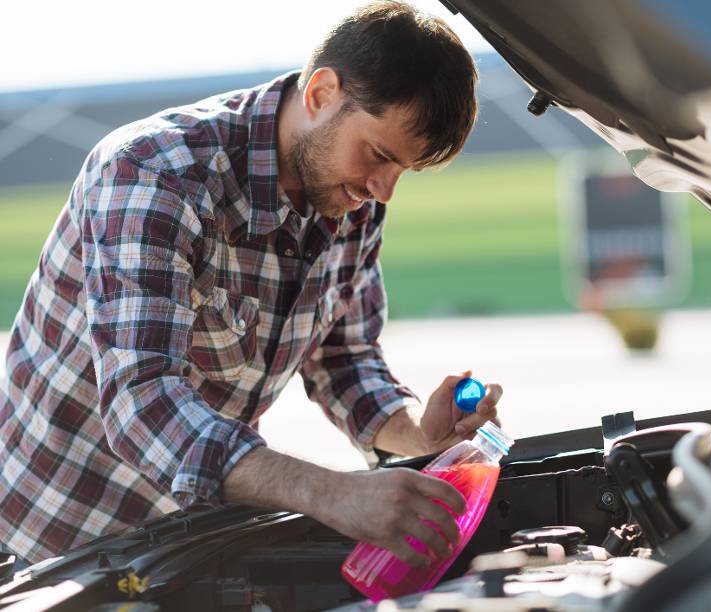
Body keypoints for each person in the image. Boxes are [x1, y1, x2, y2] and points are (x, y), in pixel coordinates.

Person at [0, 0, 501, 571]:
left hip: (183, 551)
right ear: (321, 94)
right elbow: (144, 402)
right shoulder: (157, 173)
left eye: (401, 171)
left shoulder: (351, 199)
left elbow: (343, 360)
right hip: (44, 552)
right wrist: (331, 492)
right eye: (380, 155)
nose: (384, 190)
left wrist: (419, 434)